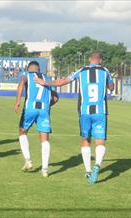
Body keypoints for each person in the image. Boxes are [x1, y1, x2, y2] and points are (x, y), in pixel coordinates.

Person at [34, 51, 114, 184]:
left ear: (89, 59)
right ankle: (97, 165)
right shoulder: (105, 71)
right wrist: (107, 83)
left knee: (86, 140)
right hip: (100, 112)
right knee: (100, 142)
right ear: (100, 60)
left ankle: (88, 171)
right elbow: (111, 87)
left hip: (84, 112)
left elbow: (61, 82)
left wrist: (44, 82)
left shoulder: (80, 71)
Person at [14, 61, 58, 178]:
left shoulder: (27, 75)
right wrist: (48, 105)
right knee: (44, 138)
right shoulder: (46, 78)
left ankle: (28, 160)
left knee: (22, 131)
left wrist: (18, 101)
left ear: (29, 69)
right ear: (39, 69)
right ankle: (45, 169)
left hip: (30, 108)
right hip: (44, 110)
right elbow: (55, 98)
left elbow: (22, 83)